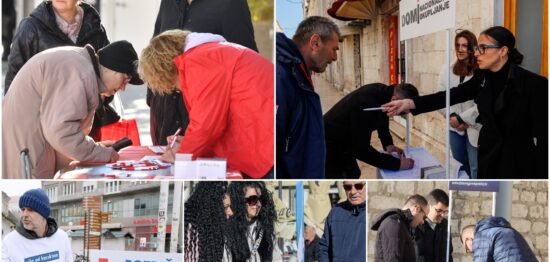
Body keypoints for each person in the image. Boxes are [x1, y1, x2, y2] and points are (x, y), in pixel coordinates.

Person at [383, 26, 548, 179]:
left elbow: (544, 138)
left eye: (482, 48)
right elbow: (450, 95)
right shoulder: (481, 78)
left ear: (503, 51)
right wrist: (411, 103)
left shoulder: (535, 84)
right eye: (476, 48)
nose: (476, 53)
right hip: (488, 157)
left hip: (519, 162)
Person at [139, 30, 274, 179]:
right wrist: (188, 143)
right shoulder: (210, 53)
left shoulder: (198, 61)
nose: (176, 89)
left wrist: (182, 154)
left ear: (163, 71)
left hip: (268, 142)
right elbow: (214, 121)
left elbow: (206, 124)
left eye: (172, 86)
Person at [2, 40, 143, 179]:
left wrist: (94, 147)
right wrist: (100, 153)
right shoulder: (80, 73)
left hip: (26, 144)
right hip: (27, 153)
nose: (123, 88)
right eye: (124, 79)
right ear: (111, 67)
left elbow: (60, 126)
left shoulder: (79, 64)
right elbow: (61, 131)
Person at [4, 0, 120, 139]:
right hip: (44, 133)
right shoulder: (30, 28)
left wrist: (102, 96)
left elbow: (106, 79)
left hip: (87, 131)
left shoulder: (95, 28)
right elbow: (13, 83)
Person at [147, 0, 258, 145]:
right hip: (166, 108)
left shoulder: (231, 3)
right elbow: (155, 44)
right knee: (164, 162)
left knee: (201, 160)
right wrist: (152, 97)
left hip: (206, 110)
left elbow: (245, 58)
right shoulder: (168, 2)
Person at [276, 16, 340, 179]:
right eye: (334, 49)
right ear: (315, 43)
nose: (334, 57)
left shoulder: (299, 73)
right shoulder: (281, 75)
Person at [323, 83, 419, 178]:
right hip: (328, 142)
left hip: (346, 138)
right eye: (402, 112)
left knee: (354, 173)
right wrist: (397, 164)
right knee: (344, 176)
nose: (398, 114)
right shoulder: (366, 105)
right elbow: (361, 150)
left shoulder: (384, 94)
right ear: (394, 100)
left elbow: (383, 116)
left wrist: (388, 144)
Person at [220, 182, 283, 262]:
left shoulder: (266, 229)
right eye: (252, 200)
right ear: (238, 201)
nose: (258, 204)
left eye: (260, 200)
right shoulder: (227, 231)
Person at [438, 30, 480, 178]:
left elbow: (483, 102)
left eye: (465, 45)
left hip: (475, 126)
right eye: (458, 45)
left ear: (472, 48)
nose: (460, 49)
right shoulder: (446, 69)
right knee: (459, 166)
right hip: (454, 126)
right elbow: (441, 98)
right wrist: (452, 117)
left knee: (475, 168)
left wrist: (464, 119)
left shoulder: (480, 70)